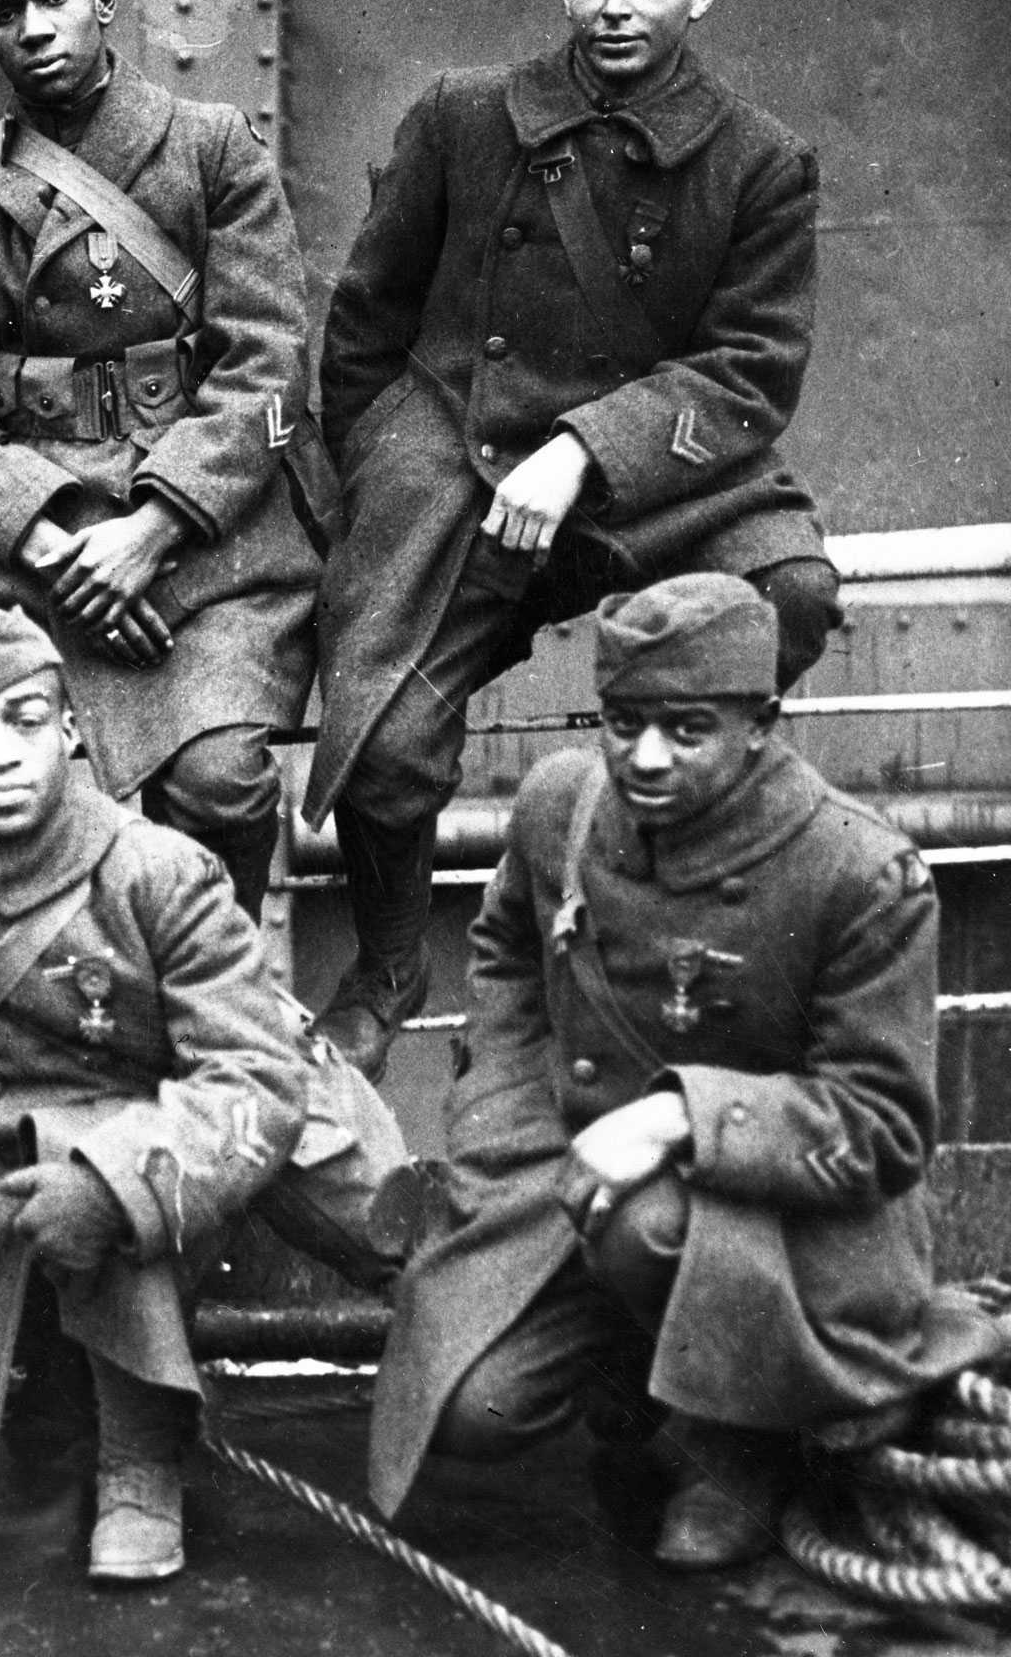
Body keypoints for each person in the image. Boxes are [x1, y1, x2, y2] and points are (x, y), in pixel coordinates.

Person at [305, 0, 842, 1076]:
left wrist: (586, 451)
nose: (613, 9)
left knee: (791, 597)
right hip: (463, 465)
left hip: (658, 479)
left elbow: (750, 372)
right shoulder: (462, 117)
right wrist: (391, 483)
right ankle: (390, 958)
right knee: (383, 746)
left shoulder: (759, 162)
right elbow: (365, 327)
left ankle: (666, 883)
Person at [0, 604, 405, 1582]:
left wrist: (114, 1186)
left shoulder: (159, 869)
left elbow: (256, 1076)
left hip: (174, 1144)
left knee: (113, 1155)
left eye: (24, 720)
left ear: (69, 730)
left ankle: (142, 1459)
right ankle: (47, 1406)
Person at [367, 575, 999, 1568]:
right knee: (474, 1407)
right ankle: (648, 1381)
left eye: (687, 729)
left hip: (786, 1225)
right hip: (572, 1174)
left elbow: (881, 1124)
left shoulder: (860, 873)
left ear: (760, 723)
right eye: (624, 722)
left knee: (650, 1220)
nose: (645, 756)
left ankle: (739, 1449)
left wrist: (679, 1120)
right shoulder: (562, 806)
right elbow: (504, 949)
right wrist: (498, 1114)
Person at [0, 0, 330, 922]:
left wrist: (155, 526)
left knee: (221, 779)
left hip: (208, 536)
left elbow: (266, 363)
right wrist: (66, 542)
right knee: (16, 789)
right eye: (8, 12)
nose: (36, 26)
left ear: (105, 2)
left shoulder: (211, 150)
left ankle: (221, 976)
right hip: (31, 545)